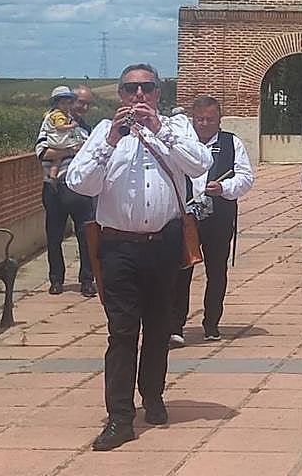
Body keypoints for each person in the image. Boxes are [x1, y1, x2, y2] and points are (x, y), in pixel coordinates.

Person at [66, 64, 212, 451]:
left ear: (158, 93)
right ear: (120, 95)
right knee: (122, 330)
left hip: (163, 244)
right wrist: (112, 140)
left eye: (147, 88)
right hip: (118, 247)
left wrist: (160, 129)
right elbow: (79, 182)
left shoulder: (175, 130)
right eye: (131, 89)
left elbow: (200, 164)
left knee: (160, 326)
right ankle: (119, 417)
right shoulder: (103, 133)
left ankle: (153, 395)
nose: (139, 96)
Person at [171, 95, 255, 346]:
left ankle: (212, 323)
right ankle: (176, 325)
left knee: (216, 272)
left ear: (219, 119)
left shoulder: (232, 143)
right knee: (181, 271)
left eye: (210, 119)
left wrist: (225, 187)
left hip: (219, 216)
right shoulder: (182, 143)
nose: (205, 124)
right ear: (192, 119)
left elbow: (246, 177)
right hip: (187, 217)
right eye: (200, 119)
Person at [37, 85, 98, 297]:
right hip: (54, 187)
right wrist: (71, 150)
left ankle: (87, 280)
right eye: (79, 102)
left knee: (86, 235)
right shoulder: (53, 123)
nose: (83, 107)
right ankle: (56, 280)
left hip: (80, 189)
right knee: (54, 236)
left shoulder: (87, 129)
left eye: (87, 104)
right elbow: (43, 152)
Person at [41, 86, 86, 183]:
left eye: (69, 103)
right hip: (60, 143)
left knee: (57, 161)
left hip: (73, 183)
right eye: (63, 103)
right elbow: (43, 153)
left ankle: (53, 176)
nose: (67, 106)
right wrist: (72, 151)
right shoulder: (58, 116)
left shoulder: (81, 123)